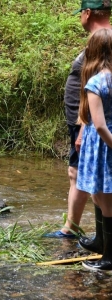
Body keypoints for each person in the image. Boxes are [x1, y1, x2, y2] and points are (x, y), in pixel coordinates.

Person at [44, 0, 112, 243]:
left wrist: (83, 127)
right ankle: (89, 233)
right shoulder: (102, 39)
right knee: (85, 175)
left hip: (89, 123)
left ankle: (86, 234)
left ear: (87, 13)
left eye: (80, 15)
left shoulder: (102, 42)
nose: (79, 19)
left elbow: (98, 94)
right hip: (87, 121)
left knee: (90, 177)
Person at [76, 28, 112, 271]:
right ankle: (101, 243)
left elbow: (98, 124)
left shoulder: (96, 82)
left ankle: (109, 258)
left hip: (103, 144)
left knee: (104, 199)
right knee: (101, 195)